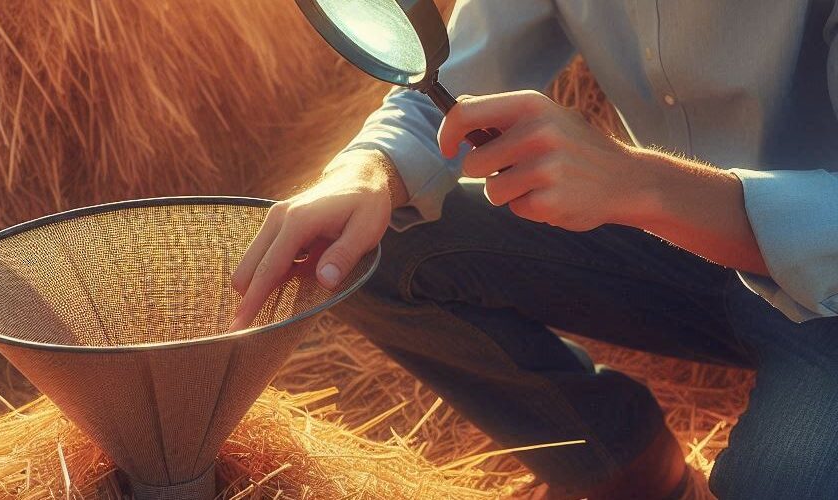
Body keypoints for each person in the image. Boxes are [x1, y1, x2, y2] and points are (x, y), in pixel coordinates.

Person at [231, 1, 838, 498]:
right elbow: (450, 83)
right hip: (672, 245)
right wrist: (367, 170)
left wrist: (641, 184)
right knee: (367, 249)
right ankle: (629, 467)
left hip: (829, 295)